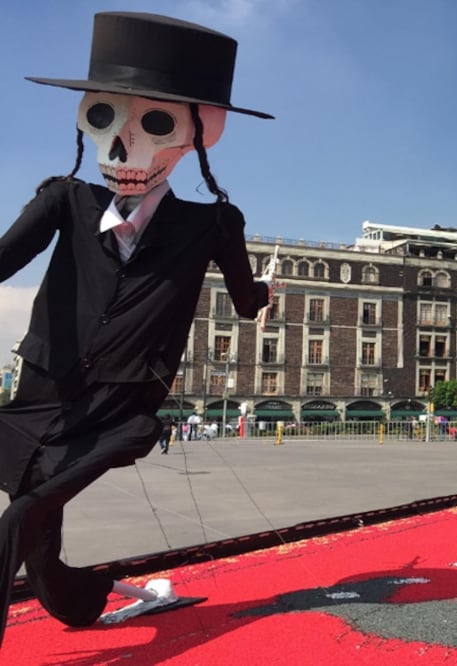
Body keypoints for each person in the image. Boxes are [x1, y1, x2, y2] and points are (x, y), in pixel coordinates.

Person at [0, 12, 274, 646]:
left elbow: (242, 300)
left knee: (19, 519)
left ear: (199, 135)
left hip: (120, 409)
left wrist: (264, 292)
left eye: (155, 125)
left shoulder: (211, 223)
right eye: (104, 119)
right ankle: (79, 600)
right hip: (41, 395)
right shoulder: (64, 201)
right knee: (38, 542)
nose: (124, 149)